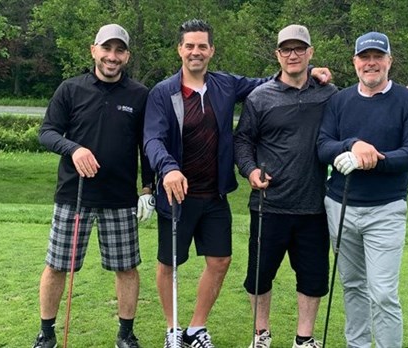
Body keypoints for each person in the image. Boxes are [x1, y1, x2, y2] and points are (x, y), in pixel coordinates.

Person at [143, 19, 332, 348]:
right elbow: (152, 139)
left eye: (202, 46)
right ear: (180, 50)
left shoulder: (225, 85)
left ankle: (195, 329)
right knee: (169, 263)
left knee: (220, 261)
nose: (196, 52)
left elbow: (274, 80)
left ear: (212, 50)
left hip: (215, 194)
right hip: (176, 193)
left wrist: (312, 70)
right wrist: (168, 167)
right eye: (190, 46)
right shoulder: (163, 92)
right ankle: (172, 330)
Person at [32, 24, 155, 348]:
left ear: (126, 55)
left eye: (119, 50)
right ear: (94, 50)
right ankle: (46, 332)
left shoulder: (139, 94)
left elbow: (148, 144)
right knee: (58, 266)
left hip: (120, 197)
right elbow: (47, 132)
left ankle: (126, 334)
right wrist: (74, 148)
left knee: (127, 267)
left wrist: (148, 189)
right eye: (106, 49)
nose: (112, 57)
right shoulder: (70, 89)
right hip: (74, 194)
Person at [317, 31, 408, 348]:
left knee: (382, 292)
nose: (371, 63)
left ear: (389, 61)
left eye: (377, 57)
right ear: (354, 63)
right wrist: (352, 145)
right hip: (340, 206)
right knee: (352, 285)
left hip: (386, 210)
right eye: (364, 57)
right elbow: (323, 146)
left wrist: (371, 159)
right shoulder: (339, 101)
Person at [234, 24, 338, 348]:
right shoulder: (259, 97)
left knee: (312, 278)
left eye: (299, 49)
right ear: (277, 54)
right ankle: (261, 334)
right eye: (286, 49)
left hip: (313, 205)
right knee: (259, 277)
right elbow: (242, 141)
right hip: (269, 204)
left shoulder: (328, 94)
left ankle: (303, 338)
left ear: (310, 52)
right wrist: (250, 171)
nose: (293, 55)